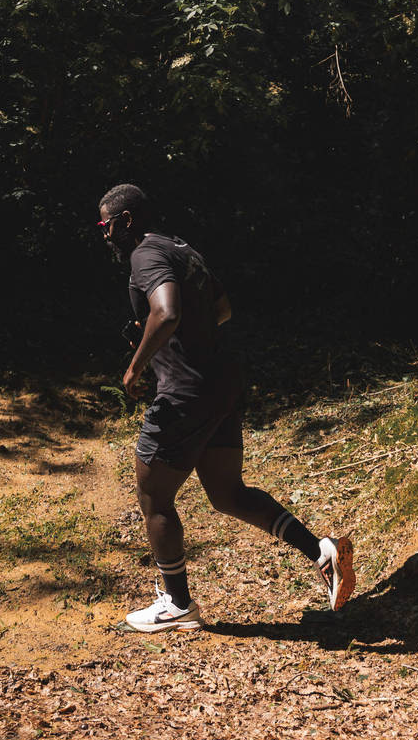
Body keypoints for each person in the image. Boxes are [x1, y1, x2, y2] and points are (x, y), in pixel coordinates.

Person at [98, 182, 355, 631]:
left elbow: (166, 311)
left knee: (153, 494)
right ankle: (321, 551)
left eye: (106, 225)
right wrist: (188, 339)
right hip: (221, 382)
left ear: (127, 220)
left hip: (185, 392)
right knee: (228, 493)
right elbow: (222, 309)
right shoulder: (182, 249)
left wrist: (136, 367)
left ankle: (177, 604)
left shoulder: (145, 254)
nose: (104, 234)